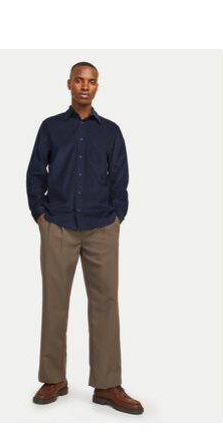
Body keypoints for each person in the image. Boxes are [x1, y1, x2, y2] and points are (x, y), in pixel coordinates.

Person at [26, 61, 144, 415]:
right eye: (79, 80)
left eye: (91, 81)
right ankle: (54, 378)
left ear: (97, 87)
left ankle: (107, 384)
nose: (84, 86)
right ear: (69, 84)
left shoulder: (111, 131)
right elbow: (35, 173)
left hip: (101, 227)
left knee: (106, 303)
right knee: (54, 302)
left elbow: (120, 179)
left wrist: (117, 217)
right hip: (58, 225)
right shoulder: (51, 127)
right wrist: (41, 216)